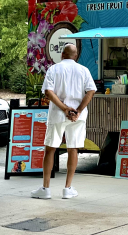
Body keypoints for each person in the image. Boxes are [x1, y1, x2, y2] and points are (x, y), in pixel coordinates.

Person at [31, 43, 96, 200]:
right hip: (78, 117)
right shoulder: (84, 70)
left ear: (62, 55)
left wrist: (65, 109)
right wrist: (77, 110)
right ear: (76, 56)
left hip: (57, 115)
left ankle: (45, 188)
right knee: (73, 148)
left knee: (51, 149)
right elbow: (91, 91)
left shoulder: (54, 69)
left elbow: (48, 92)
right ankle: (68, 188)